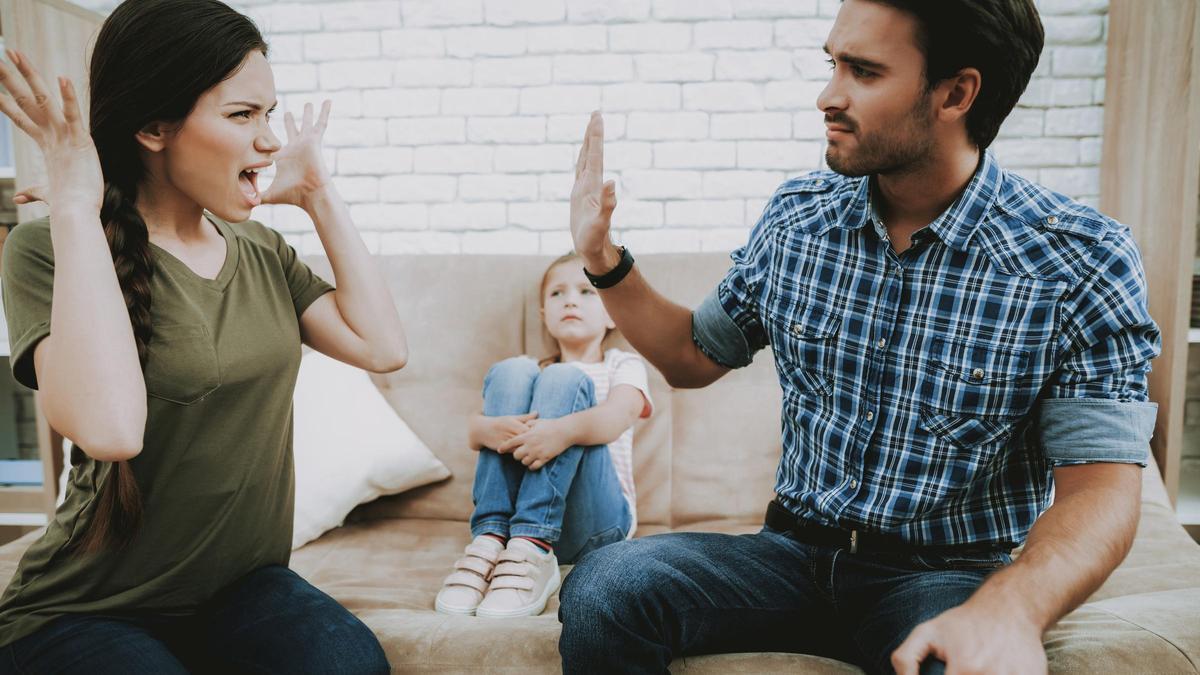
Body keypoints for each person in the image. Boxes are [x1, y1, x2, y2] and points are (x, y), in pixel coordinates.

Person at [556, 1, 1160, 673]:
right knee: (607, 586)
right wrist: (602, 257)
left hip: (941, 574)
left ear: (956, 93)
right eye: (832, 64)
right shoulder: (798, 218)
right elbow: (692, 354)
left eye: (864, 71)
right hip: (788, 555)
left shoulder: (1079, 259)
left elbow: (1101, 489)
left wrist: (1012, 606)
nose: (827, 95)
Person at [0, 1, 405, 671]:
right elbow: (112, 430)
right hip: (85, 608)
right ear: (156, 127)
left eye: (269, 114)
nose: (269, 140)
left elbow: (383, 347)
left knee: (350, 663)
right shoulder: (51, 247)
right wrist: (76, 205)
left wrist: (319, 195)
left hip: (239, 592)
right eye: (243, 115)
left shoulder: (261, 250)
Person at [435, 252, 652, 619]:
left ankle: (532, 541)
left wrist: (563, 432)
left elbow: (618, 417)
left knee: (563, 379)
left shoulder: (622, 364)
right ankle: (492, 538)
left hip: (598, 526)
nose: (570, 300)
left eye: (586, 292)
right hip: (516, 528)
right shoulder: (531, 375)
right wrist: (489, 430)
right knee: (511, 369)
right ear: (543, 316)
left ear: (611, 312)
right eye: (557, 294)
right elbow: (474, 431)